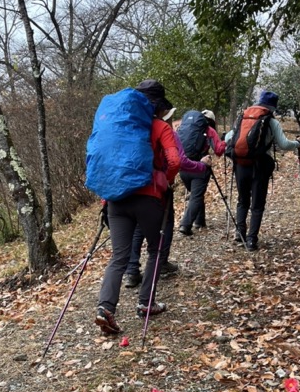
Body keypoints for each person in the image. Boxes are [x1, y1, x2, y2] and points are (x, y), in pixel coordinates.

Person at [95, 80, 180, 335]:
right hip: (149, 197)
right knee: (155, 249)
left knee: (119, 256)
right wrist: (166, 180)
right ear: (158, 106)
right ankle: (146, 303)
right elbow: (174, 161)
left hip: (116, 199)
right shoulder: (159, 126)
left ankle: (105, 308)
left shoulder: (120, 125)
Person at [123, 109, 212, 288]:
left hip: (135, 185)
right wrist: (201, 166)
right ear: (166, 115)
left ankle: (132, 271)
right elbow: (179, 161)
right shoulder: (167, 131)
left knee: (139, 227)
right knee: (167, 223)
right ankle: (161, 263)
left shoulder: (135, 129)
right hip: (158, 188)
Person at [226, 90, 300, 251]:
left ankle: (239, 233)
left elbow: (228, 139)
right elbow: (283, 144)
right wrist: (297, 144)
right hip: (260, 166)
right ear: (273, 107)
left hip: (240, 164)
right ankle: (252, 240)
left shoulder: (243, 117)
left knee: (242, 200)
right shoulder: (270, 121)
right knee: (257, 204)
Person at [178, 110, 226, 235]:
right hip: (200, 167)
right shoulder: (209, 130)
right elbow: (219, 151)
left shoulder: (182, 128)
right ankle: (185, 225)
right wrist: (225, 141)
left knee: (196, 194)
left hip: (184, 168)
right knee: (196, 196)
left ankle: (200, 221)